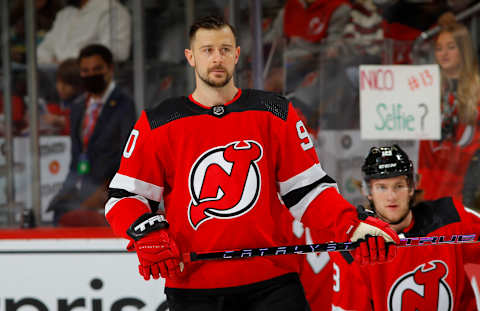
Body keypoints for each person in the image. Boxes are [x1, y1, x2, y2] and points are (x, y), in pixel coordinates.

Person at [104, 15, 399, 311]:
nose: (217, 58)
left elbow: (307, 192)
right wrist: (145, 230)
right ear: (190, 57)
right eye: (207, 50)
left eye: (225, 49)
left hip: (271, 284)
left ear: (237, 54)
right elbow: (124, 197)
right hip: (193, 288)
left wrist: (351, 225)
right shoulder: (159, 122)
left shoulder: (274, 112)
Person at [331, 144, 480, 310]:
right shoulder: (357, 248)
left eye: (399, 186)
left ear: (411, 187)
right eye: (382, 187)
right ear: (368, 192)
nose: (391, 196)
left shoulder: (449, 217)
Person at [48, 44, 136, 226]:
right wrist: (64, 194)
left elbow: (127, 155)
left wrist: (106, 191)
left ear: (110, 69)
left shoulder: (124, 104)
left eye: (97, 69)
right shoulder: (78, 107)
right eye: (85, 71)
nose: (91, 74)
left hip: (107, 193)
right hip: (79, 186)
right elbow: (75, 157)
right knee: (58, 217)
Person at [418, 22, 480, 205]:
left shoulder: (477, 89)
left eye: (451, 47)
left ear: (463, 50)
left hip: (466, 183)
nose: (443, 54)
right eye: (438, 48)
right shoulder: (425, 87)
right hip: (430, 181)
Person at [37, 0, 131, 65]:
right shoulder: (65, 14)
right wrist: (55, 63)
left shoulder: (113, 10)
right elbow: (42, 51)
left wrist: (70, 63)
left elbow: (117, 53)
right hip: (55, 81)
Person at [41, 58, 83, 135]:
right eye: (59, 82)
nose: (61, 87)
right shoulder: (53, 105)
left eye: (67, 83)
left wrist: (63, 123)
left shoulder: (84, 106)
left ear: (79, 85)